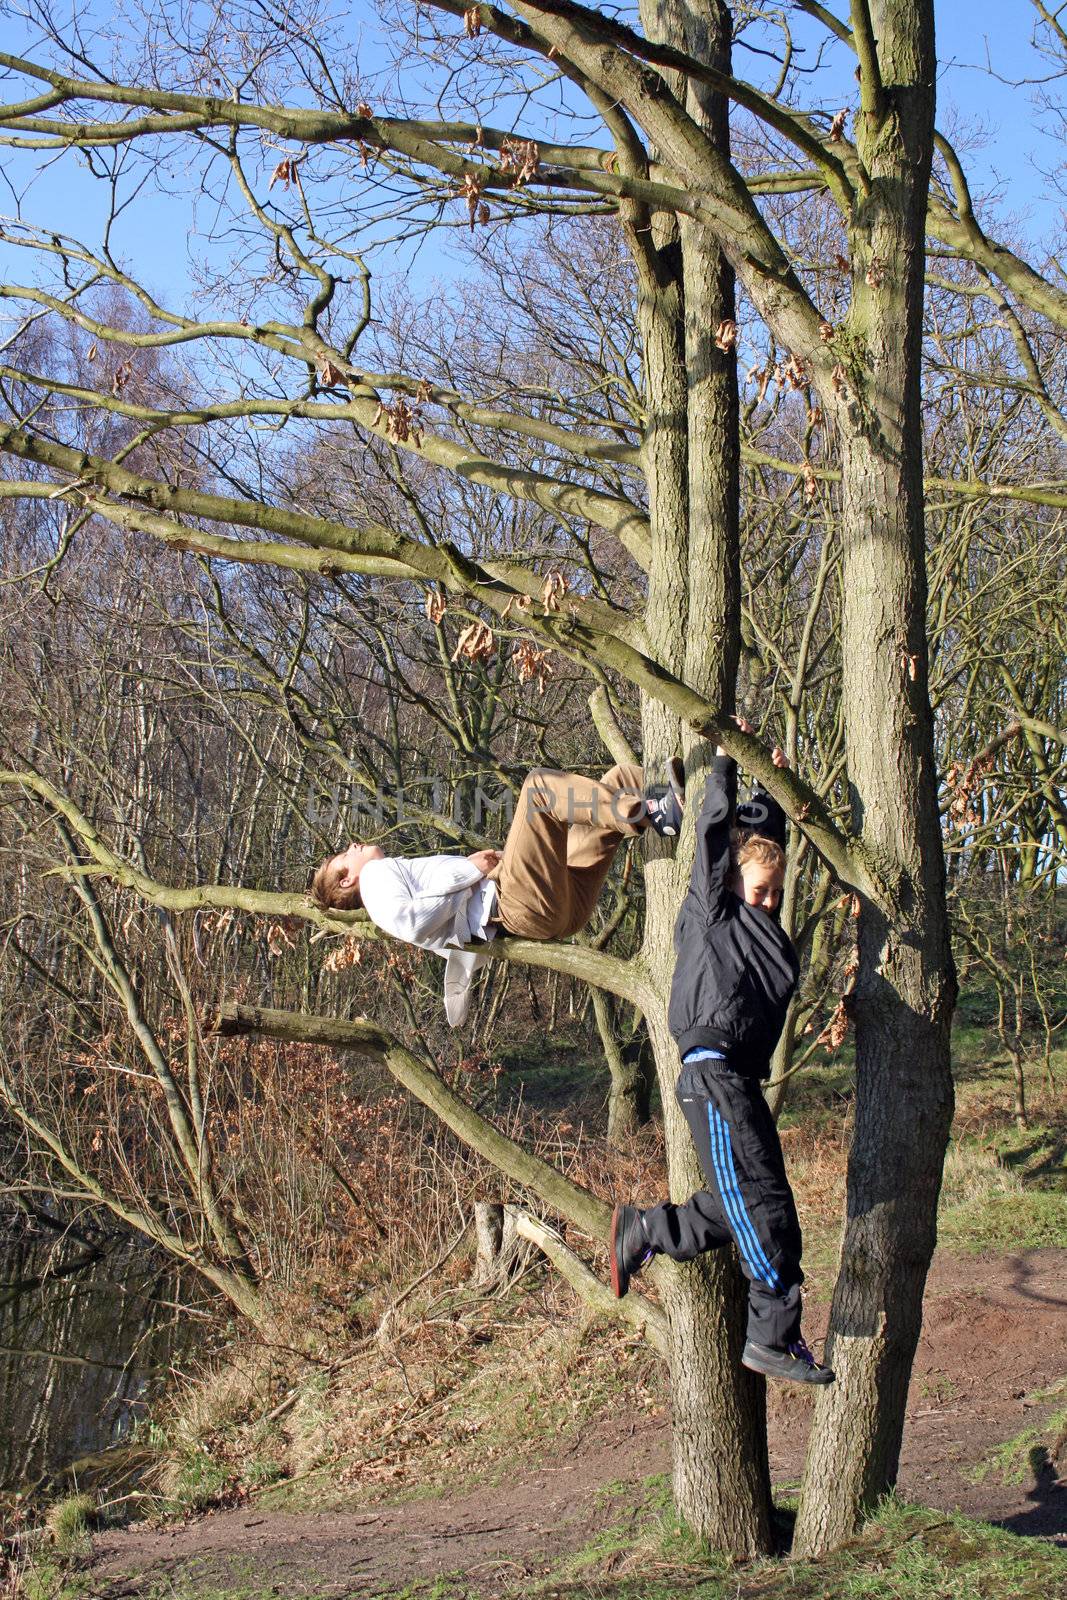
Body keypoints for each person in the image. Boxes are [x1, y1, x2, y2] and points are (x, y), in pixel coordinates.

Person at [609, 724, 834, 1386]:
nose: (764, 902)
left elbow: (764, 843)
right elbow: (716, 838)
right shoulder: (712, 912)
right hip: (710, 1074)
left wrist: (772, 780)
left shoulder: (767, 939)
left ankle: (648, 1229)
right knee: (760, 1211)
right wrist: (730, 764)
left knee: (759, 1201)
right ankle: (769, 1337)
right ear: (730, 883)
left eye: (772, 893)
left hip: (737, 1081)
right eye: (754, 890)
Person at [309, 761, 685, 1025]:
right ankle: (651, 811)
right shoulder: (374, 881)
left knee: (620, 778)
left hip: (556, 905)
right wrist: (470, 871)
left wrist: (477, 869)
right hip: (521, 905)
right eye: (347, 854)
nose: (355, 845)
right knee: (539, 788)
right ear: (347, 881)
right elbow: (413, 923)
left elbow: (444, 922)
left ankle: (686, 803)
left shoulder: (385, 879)